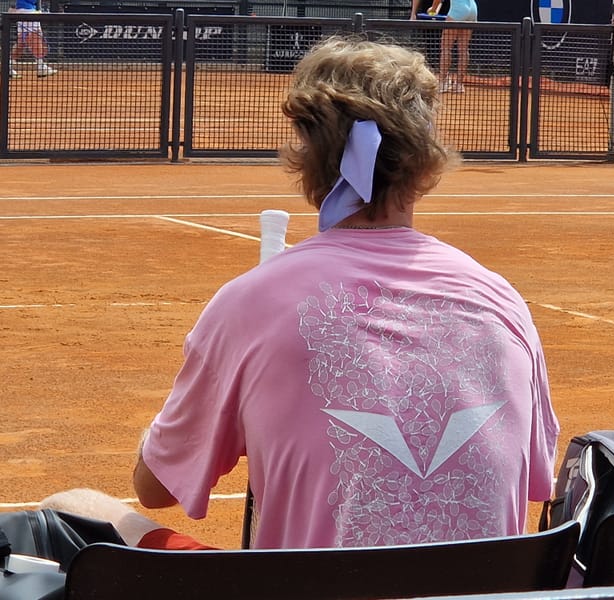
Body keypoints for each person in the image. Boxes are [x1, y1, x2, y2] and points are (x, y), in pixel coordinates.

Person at [42, 35, 559, 551]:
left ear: (307, 156)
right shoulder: (501, 300)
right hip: (492, 589)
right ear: (425, 164)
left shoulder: (251, 302)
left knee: (72, 509)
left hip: (295, 588)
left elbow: (153, 488)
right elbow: (533, 481)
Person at [416, 0, 478, 93]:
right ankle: (459, 85)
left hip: (459, 10)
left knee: (446, 47)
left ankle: (442, 83)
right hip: (473, 10)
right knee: (464, 49)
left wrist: (433, 9)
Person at [8, 0, 57, 79]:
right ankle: (41, 67)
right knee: (36, 38)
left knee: (21, 42)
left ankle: (8, 66)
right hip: (28, 11)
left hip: (23, 10)